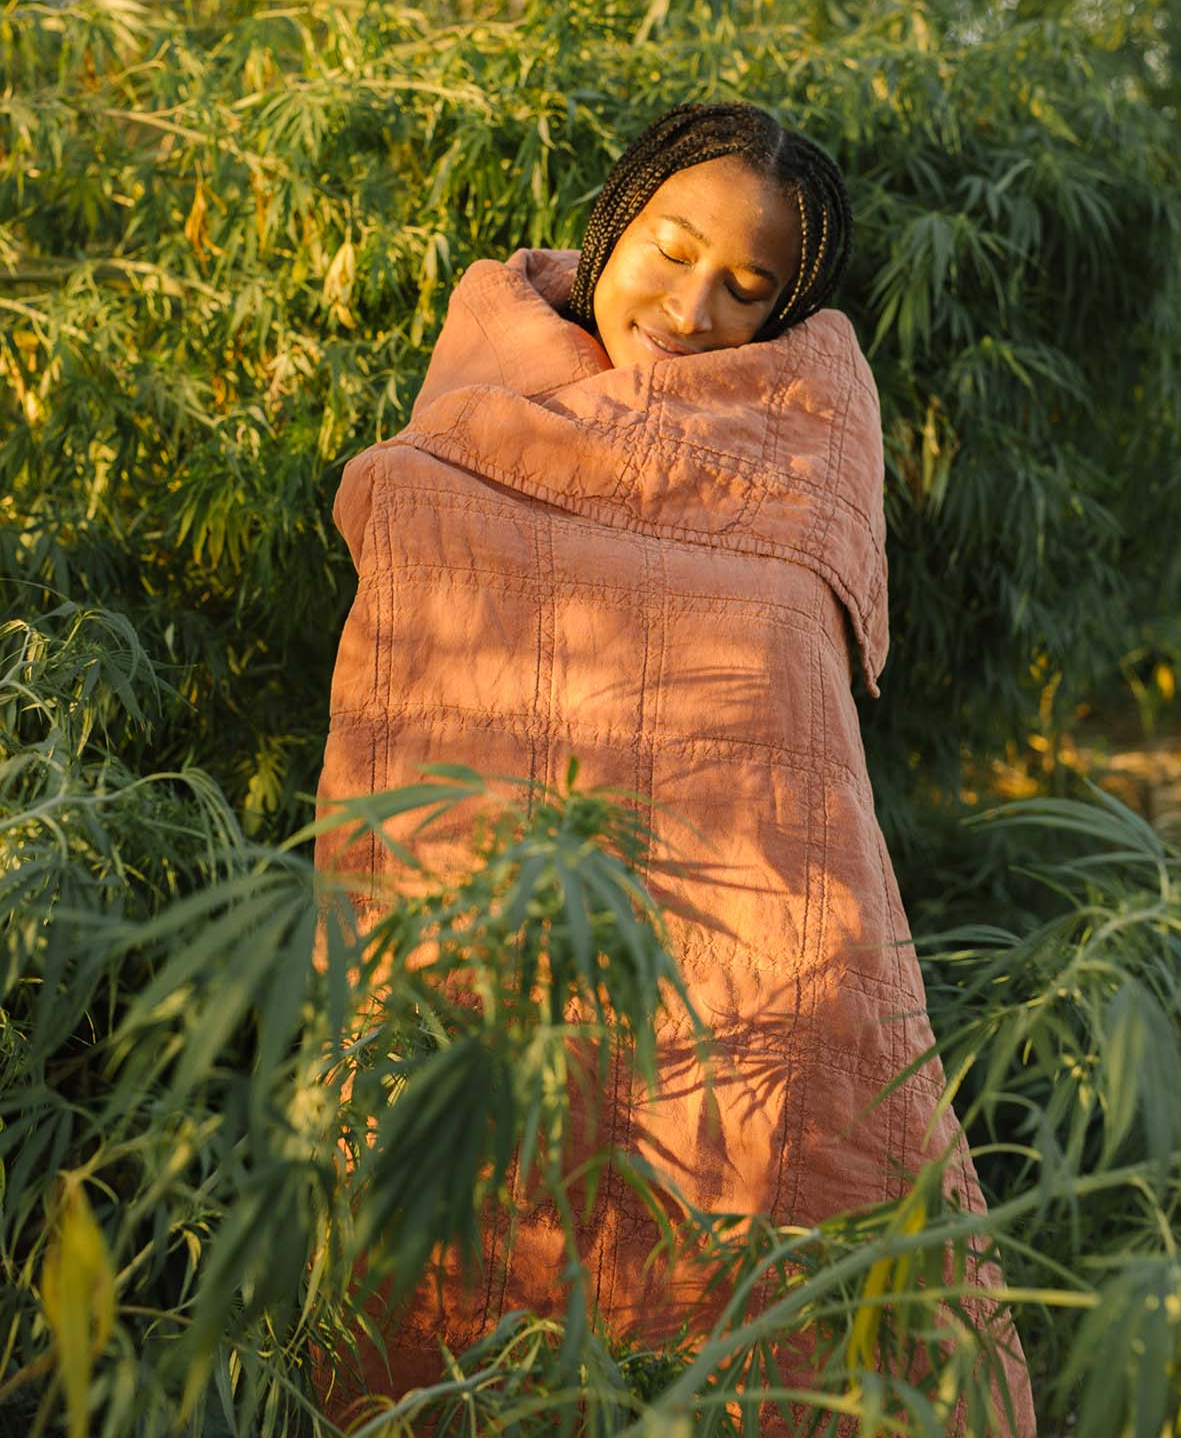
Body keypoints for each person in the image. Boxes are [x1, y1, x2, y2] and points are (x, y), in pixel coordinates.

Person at [313, 101, 1036, 1432]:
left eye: (745, 288)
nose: (694, 305)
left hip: (750, 973)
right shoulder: (476, 391)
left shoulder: (804, 429)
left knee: (765, 1312)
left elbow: (793, 741)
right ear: (615, 222)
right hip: (476, 948)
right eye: (673, 246)